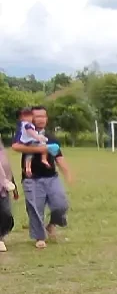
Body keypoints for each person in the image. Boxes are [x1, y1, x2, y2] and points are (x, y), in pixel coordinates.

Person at [10, 107, 72, 250]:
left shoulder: (50, 137)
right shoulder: (26, 133)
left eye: (44, 116)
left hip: (51, 176)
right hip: (32, 178)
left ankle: (51, 225)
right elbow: (15, 146)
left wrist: (67, 172)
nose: (41, 119)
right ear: (31, 118)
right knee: (35, 209)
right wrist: (39, 149)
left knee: (61, 205)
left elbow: (58, 156)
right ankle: (39, 237)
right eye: (37, 116)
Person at [0, 135, 16, 255]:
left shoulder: (2, 152)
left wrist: (13, 184)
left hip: (3, 188)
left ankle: (1, 234)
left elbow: (7, 167)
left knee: (6, 214)